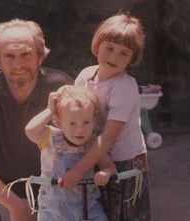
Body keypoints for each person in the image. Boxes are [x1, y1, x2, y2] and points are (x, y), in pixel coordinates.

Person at [0, 19, 72, 221]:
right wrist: (15, 206)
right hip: (2, 180)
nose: (18, 64)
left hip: (48, 179)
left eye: (26, 54)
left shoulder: (60, 86)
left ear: (40, 57)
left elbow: (88, 136)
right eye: (9, 56)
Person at [59, 13, 151, 220]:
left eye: (123, 53)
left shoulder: (125, 87)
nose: (113, 57)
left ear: (131, 59)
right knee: (95, 210)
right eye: (109, 48)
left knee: (123, 213)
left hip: (124, 160)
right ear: (97, 45)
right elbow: (70, 111)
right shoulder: (85, 75)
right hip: (93, 154)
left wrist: (78, 170)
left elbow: (109, 137)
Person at [24, 85, 116, 221]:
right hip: (53, 207)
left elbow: (109, 166)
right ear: (58, 122)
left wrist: (105, 173)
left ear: (94, 121)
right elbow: (30, 130)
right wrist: (50, 110)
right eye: (72, 123)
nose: (80, 130)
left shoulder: (94, 144)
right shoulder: (50, 137)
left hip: (88, 204)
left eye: (86, 122)